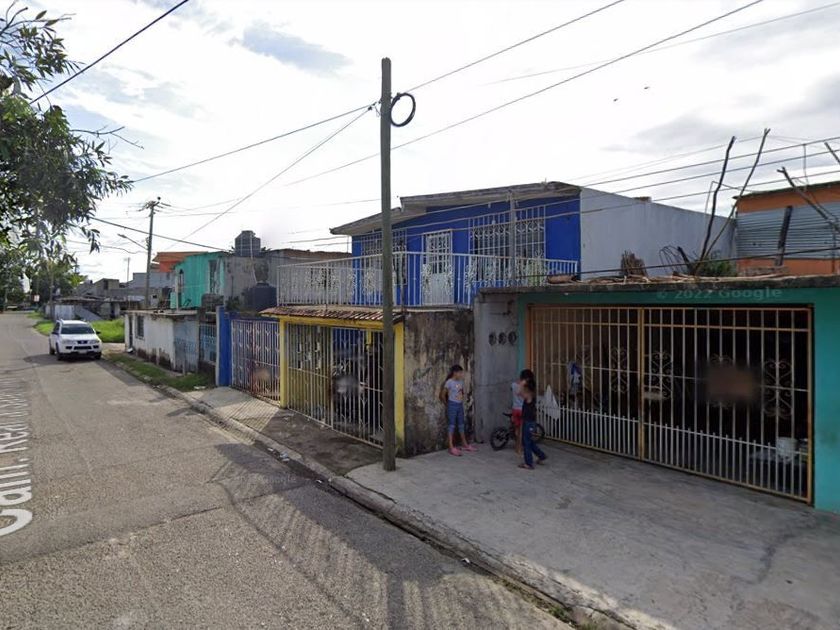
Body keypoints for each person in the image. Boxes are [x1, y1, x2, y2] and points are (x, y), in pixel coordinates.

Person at [441, 364, 477, 456]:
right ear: (454, 373)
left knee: (461, 425)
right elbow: (442, 395)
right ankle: (451, 447)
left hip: (459, 405)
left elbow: (461, 392)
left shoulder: (460, 382)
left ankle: (465, 444)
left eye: (462, 373)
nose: (461, 374)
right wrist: (448, 405)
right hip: (452, 405)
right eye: (460, 373)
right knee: (451, 426)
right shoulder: (449, 382)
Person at [519, 377, 546, 470]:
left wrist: (522, 384)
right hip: (529, 422)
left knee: (526, 442)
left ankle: (529, 463)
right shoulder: (532, 394)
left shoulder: (529, 395)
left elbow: (520, 393)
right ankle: (541, 456)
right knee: (529, 441)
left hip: (529, 423)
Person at [510, 369, 535, 457]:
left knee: (516, 430)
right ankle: (519, 448)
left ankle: (516, 447)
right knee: (521, 431)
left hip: (514, 409)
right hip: (522, 410)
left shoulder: (513, 385)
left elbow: (514, 391)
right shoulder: (526, 388)